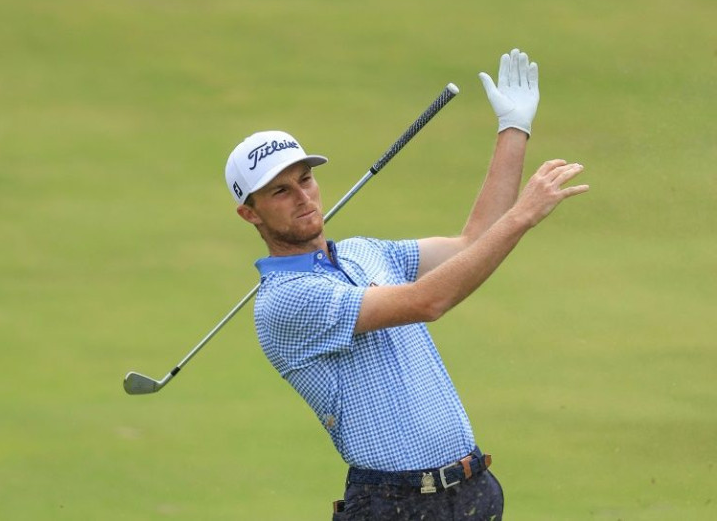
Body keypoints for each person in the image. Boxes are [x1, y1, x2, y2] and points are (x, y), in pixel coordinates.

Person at [224, 48, 588, 520]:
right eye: (280, 190)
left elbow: (473, 242)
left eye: (306, 180)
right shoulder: (287, 302)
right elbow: (428, 301)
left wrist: (513, 130)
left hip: (473, 491)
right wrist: (522, 216)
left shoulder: (363, 251)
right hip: (394, 505)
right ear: (249, 213)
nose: (303, 197)